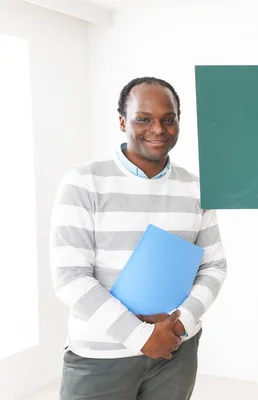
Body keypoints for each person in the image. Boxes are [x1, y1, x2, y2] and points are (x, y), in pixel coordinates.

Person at [50, 77, 227, 399]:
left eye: (168, 119)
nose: (158, 129)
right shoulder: (85, 181)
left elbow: (214, 266)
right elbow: (69, 276)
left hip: (176, 350)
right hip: (102, 355)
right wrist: (141, 336)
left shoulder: (197, 188)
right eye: (144, 119)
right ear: (122, 122)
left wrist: (181, 324)